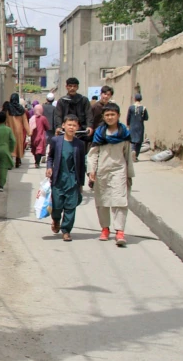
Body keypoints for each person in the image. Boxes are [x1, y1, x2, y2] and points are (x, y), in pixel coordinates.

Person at [88, 103, 135, 247]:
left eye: (112, 114)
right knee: (102, 201)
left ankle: (120, 231)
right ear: (103, 117)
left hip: (119, 170)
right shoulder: (99, 133)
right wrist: (91, 170)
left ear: (118, 116)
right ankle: (105, 229)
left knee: (120, 200)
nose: (110, 117)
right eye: (107, 115)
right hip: (102, 171)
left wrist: (129, 175)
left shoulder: (124, 133)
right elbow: (93, 154)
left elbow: (128, 155)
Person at [46, 115, 87, 242]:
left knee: (70, 207)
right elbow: (50, 157)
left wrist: (81, 183)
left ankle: (66, 230)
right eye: (69, 125)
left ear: (77, 127)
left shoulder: (80, 144)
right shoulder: (56, 141)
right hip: (58, 179)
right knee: (57, 205)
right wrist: (49, 167)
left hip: (72, 181)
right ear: (63, 125)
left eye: (74, 125)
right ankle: (56, 220)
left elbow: (82, 164)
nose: (71, 127)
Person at [54, 77, 90, 142]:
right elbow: (58, 115)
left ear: (77, 87)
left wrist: (89, 126)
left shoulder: (84, 100)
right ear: (66, 87)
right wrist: (59, 126)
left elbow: (89, 114)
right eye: (70, 86)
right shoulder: (62, 101)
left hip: (80, 131)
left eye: (74, 86)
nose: (72, 88)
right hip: (65, 131)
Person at [0, 111, 16, 192]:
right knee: (4, 168)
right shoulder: (9, 130)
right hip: (5, 151)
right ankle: (1, 186)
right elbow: (13, 140)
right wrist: (10, 149)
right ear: (5, 120)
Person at [2, 93, 30, 168]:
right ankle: (17, 161)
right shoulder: (21, 109)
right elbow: (25, 122)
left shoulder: (7, 108)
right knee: (18, 146)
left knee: (9, 146)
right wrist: (29, 132)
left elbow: (4, 119)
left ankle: (9, 162)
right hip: (19, 131)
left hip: (9, 130)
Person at [126, 93, 149, 161]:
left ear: (135, 99)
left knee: (132, 140)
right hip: (140, 126)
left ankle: (133, 150)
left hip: (132, 126)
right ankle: (136, 156)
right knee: (139, 141)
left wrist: (128, 124)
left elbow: (128, 117)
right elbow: (146, 118)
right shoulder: (143, 108)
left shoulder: (131, 107)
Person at [30, 103, 51, 168]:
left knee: (34, 150)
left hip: (33, 137)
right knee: (39, 150)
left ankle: (36, 161)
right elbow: (47, 127)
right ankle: (37, 163)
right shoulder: (43, 118)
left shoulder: (32, 118)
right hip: (41, 136)